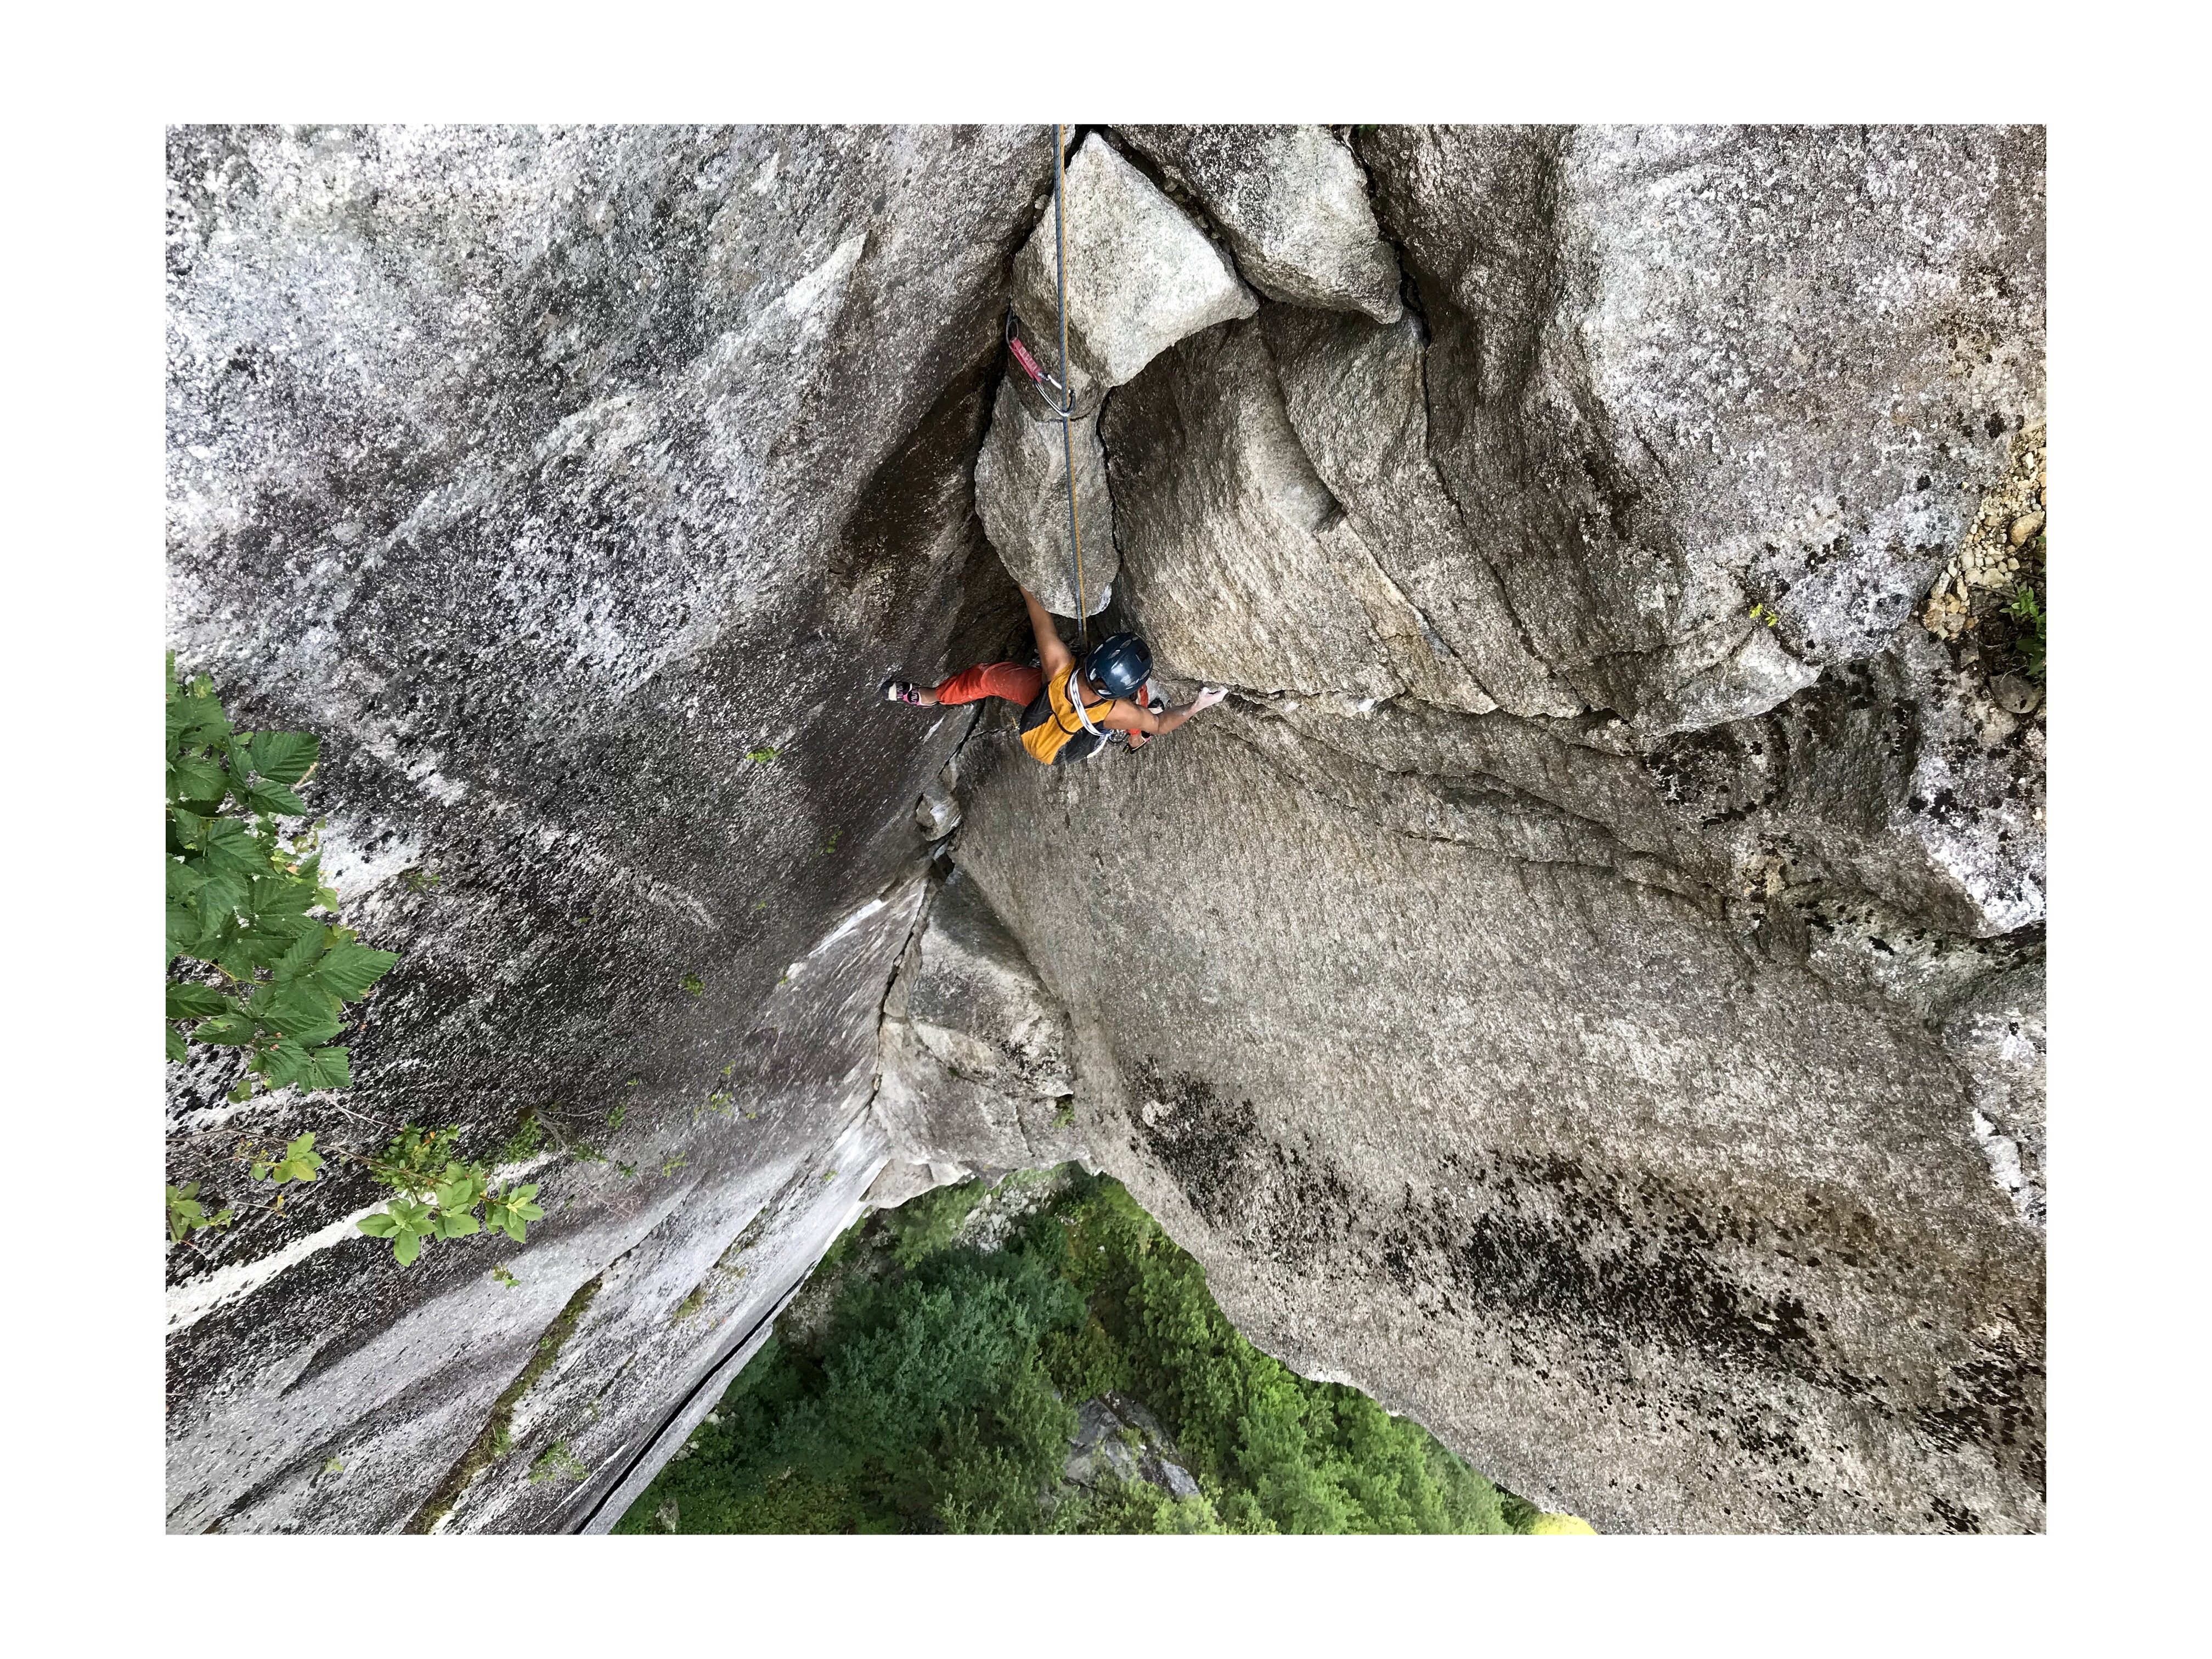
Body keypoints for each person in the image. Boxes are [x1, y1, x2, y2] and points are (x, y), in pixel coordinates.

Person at [882, 584, 1229, 766]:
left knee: (985, 678)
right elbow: (1161, 724)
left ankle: (932, 697)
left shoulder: (1059, 666)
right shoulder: (1116, 709)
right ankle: (1135, 738)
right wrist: (1197, 705)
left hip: (1045, 706)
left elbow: (1038, 613)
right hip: (1062, 738)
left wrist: (1024, 570)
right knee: (1139, 712)